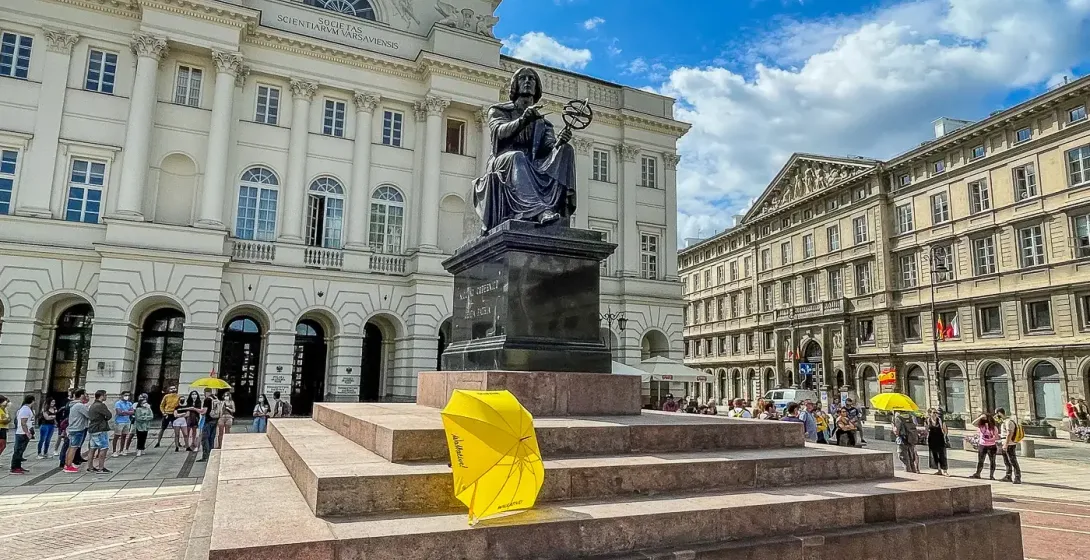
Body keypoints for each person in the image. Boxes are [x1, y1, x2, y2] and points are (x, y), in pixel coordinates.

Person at [473, 66, 577, 232]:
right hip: (503, 161)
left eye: (531, 79)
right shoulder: (499, 110)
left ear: (537, 87)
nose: (527, 81)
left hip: (533, 163)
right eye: (523, 78)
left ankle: (559, 213)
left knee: (567, 150)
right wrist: (523, 120)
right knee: (517, 156)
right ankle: (540, 211)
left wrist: (560, 143)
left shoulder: (543, 123)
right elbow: (499, 132)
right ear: (515, 85)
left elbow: (548, 150)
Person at [63, 389, 90, 473]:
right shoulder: (79, 405)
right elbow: (89, 414)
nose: (86, 396)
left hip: (73, 428)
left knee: (71, 447)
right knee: (73, 448)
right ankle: (69, 466)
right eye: (84, 394)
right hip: (77, 429)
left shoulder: (74, 404)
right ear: (81, 395)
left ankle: (67, 464)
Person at [87, 390, 113, 474]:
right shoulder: (100, 405)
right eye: (105, 395)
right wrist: (105, 419)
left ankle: (90, 467)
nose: (106, 397)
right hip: (100, 429)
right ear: (101, 396)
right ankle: (101, 468)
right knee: (104, 448)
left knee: (92, 448)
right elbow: (109, 415)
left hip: (93, 429)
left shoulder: (92, 405)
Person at [994, 408, 1022, 484]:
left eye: (996, 413)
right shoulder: (1004, 422)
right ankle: (1008, 476)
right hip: (1005, 443)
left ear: (999, 413)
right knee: (1006, 461)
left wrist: (1006, 445)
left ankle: (1017, 477)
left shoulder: (1008, 422)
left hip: (1009, 444)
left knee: (1013, 461)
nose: (996, 415)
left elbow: (1009, 434)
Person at [970, 412, 999, 480]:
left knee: (992, 461)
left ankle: (991, 475)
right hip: (983, 445)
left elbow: (996, 436)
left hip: (991, 445)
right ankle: (978, 473)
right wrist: (980, 417)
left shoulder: (993, 427)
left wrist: (992, 437)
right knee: (981, 460)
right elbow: (973, 423)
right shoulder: (981, 426)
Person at [10, 395, 35, 474]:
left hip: (24, 432)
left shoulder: (26, 409)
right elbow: (23, 422)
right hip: (22, 433)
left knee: (21, 451)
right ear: (32, 401)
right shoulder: (25, 410)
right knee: (18, 450)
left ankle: (18, 466)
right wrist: (27, 432)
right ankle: (14, 467)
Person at [925, 408, 949, 476]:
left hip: (940, 439)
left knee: (942, 455)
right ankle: (939, 470)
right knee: (934, 455)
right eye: (934, 412)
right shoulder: (927, 421)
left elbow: (945, 430)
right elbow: (926, 430)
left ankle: (945, 470)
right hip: (932, 440)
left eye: (936, 412)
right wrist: (927, 438)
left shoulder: (940, 420)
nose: (935, 414)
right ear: (930, 413)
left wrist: (944, 437)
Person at [198, 389, 219, 462]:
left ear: (206, 392)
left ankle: (205, 456)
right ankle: (211, 455)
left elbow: (204, 411)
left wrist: (196, 409)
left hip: (208, 420)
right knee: (211, 438)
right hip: (215, 420)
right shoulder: (215, 398)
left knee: (205, 438)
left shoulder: (207, 400)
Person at [112, 390, 135, 457]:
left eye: (128, 395)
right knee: (116, 436)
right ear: (122, 396)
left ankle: (121, 450)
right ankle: (114, 451)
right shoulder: (118, 403)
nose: (127, 397)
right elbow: (119, 412)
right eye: (125, 395)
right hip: (119, 422)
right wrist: (127, 412)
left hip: (127, 421)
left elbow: (132, 412)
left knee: (124, 436)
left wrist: (124, 412)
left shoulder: (129, 403)